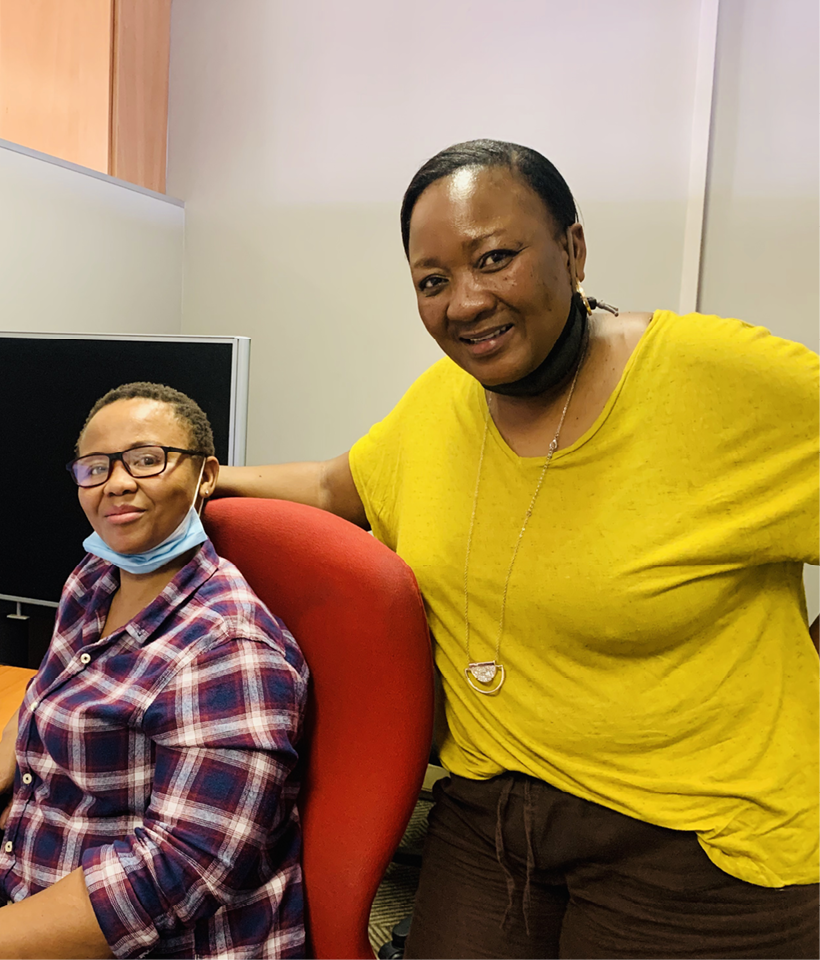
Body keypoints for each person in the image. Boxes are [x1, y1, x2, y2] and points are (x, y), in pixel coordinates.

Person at [215, 139, 820, 959]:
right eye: (432, 282)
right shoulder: (444, 402)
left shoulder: (711, 377)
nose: (463, 303)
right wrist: (192, 476)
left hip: (698, 842)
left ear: (571, 251)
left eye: (493, 258)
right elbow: (335, 487)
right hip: (493, 815)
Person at [0, 382, 308, 960]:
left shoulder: (227, 646)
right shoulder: (95, 580)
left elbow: (177, 869)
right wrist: (7, 757)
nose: (118, 482)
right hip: (31, 884)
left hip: (160, 940)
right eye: (95, 467)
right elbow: (48, 687)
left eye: (146, 459)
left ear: (206, 476)